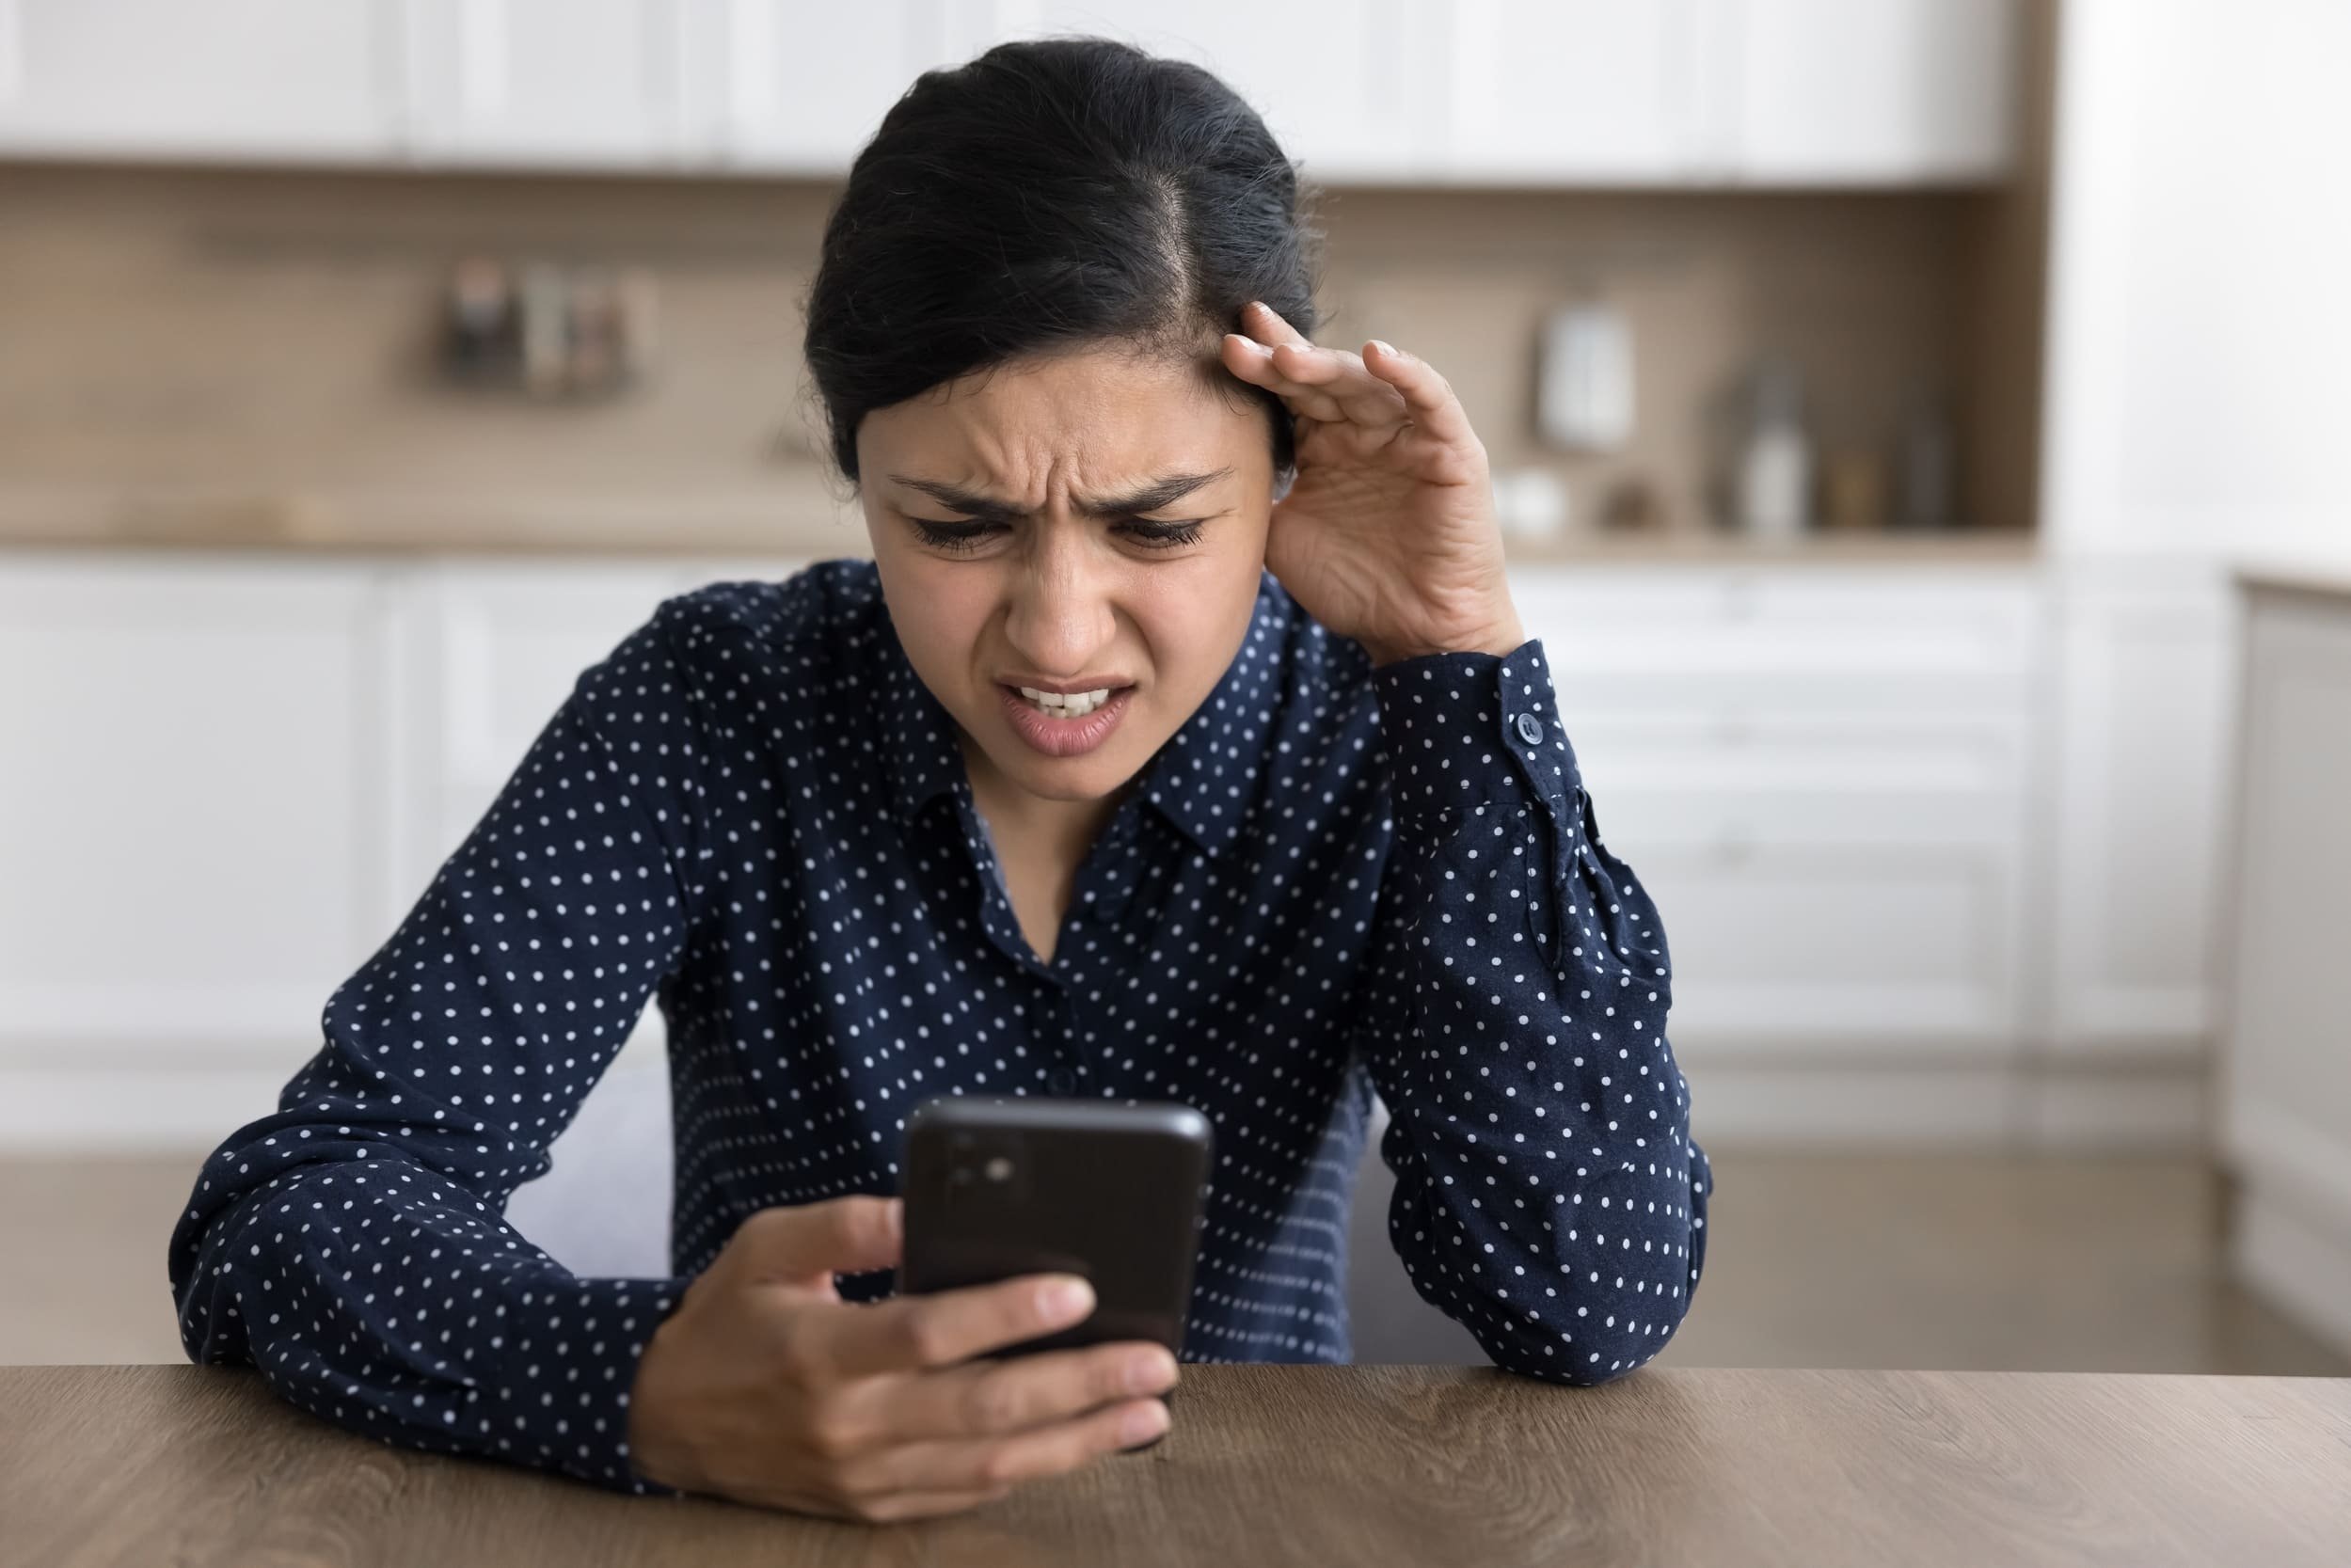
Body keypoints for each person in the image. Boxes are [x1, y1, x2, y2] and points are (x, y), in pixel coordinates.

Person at [168, 36, 1710, 1523]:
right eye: (958, 526)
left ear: (1288, 476)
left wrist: (1458, 656)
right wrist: (637, 1384)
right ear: (856, 476)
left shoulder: (1382, 731)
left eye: (1157, 528)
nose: (1056, 633)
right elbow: (292, 1205)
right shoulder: (719, 706)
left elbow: (1592, 1295)